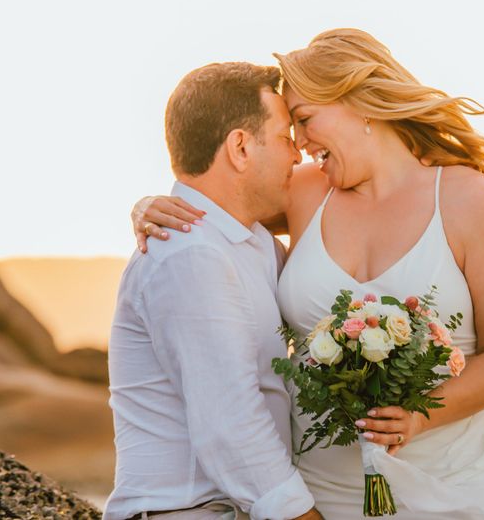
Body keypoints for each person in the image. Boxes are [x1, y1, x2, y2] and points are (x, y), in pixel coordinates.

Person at [133, 29, 484, 519]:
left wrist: (417, 417)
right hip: (322, 493)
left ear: (360, 103)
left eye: (303, 119)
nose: (299, 145)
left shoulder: (471, 200)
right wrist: (150, 204)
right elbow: (218, 205)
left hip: (455, 484)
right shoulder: (303, 194)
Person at [106, 62, 323, 520]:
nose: (297, 155)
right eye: (286, 137)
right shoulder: (188, 254)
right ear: (241, 148)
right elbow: (230, 423)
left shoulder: (253, 245)